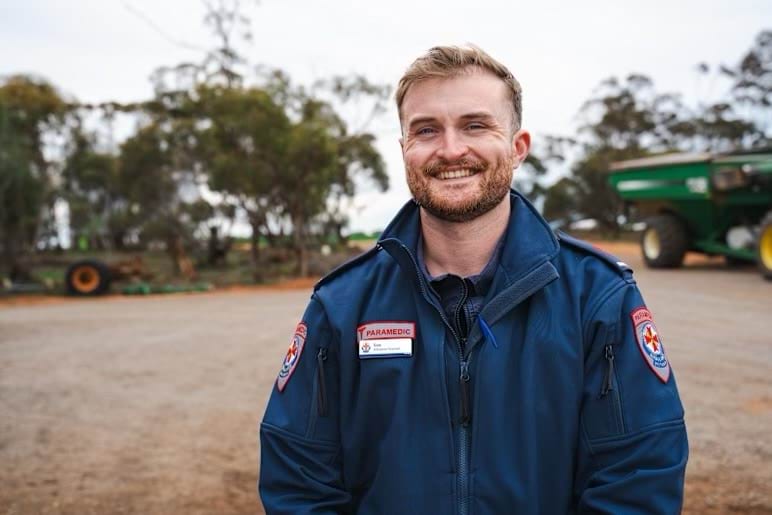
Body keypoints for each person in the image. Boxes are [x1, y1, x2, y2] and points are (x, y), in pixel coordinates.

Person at [259, 45, 688, 514]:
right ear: (404, 150)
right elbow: (299, 481)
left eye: (475, 125)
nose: (450, 149)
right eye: (426, 130)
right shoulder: (341, 305)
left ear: (518, 147)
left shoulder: (599, 296)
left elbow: (639, 478)